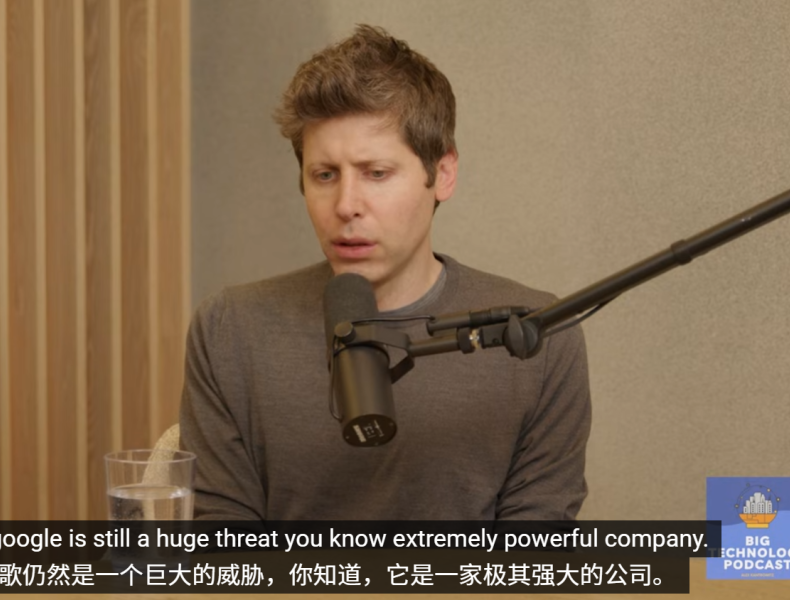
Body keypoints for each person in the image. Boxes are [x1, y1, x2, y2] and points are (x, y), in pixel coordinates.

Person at [180, 25, 590, 521]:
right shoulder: (230, 330)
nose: (346, 205)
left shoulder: (537, 337)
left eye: (376, 173)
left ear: (442, 174)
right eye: (325, 175)